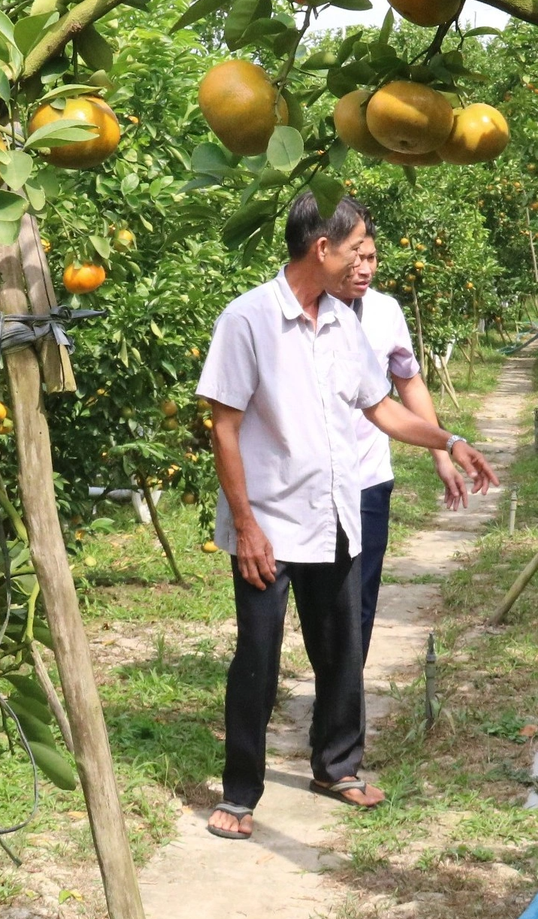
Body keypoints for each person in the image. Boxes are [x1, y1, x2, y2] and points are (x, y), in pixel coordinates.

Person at [196, 193, 498, 841]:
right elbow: (225, 427)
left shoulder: (343, 322)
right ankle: (241, 791)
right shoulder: (248, 319)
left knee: (341, 649)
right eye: (356, 245)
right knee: (258, 654)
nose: (365, 258)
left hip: (333, 514)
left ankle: (336, 765)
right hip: (268, 524)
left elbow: (380, 407)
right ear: (321, 249)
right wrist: (245, 524)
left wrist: (446, 441)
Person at [328, 223, 463, 663]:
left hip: (367, 477)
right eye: (357, 257)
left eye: (372, 258)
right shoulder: (306, 309)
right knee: (321, 602)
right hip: (312, 479)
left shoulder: (385, 312)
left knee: (361, 596)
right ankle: (335, 694)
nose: (365, 268)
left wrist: (441, 456)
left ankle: (345, 705)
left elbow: (410, 384)